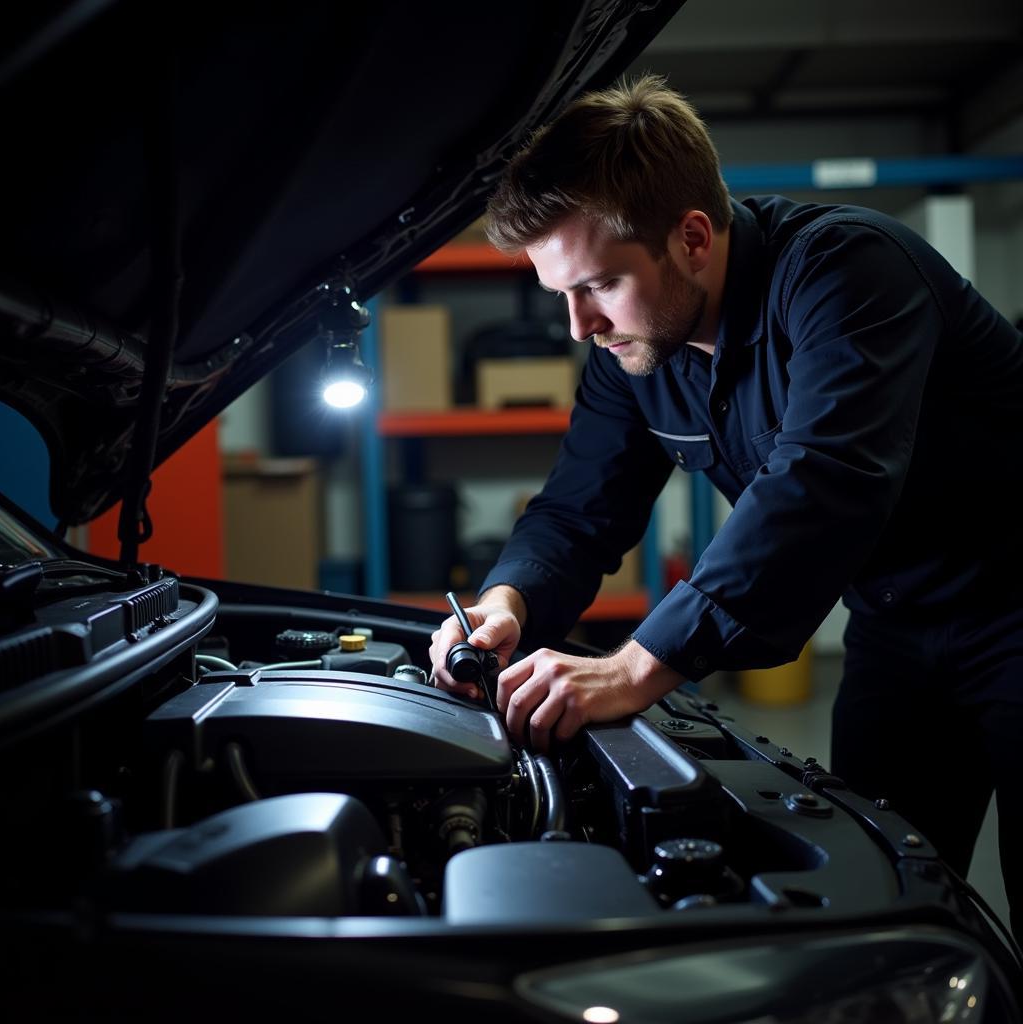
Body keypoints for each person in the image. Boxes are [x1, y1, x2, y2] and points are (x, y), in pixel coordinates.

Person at [427, 75, 1023, 936]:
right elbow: (574, 512)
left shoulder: (848, 273)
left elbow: (822, 484)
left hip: (1013, 601)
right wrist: (505, 604)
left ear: (694, 238)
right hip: (896, 626)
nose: (577, 326)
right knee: (889, 900)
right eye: (559, 295)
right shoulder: (635, 348)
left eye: (596, 285)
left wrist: (636, 668)